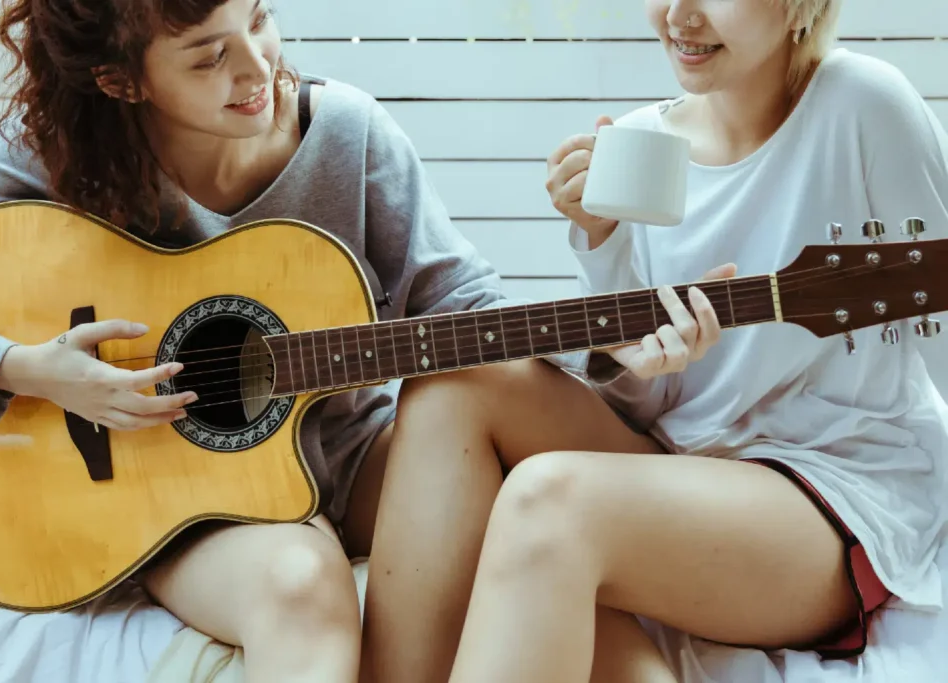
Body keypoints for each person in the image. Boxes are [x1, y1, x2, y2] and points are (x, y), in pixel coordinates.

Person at [0, 0, 601, 680]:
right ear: (121, 80)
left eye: (258, 20)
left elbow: (467, 307)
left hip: (358, 461)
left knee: (478, 388)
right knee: (301, 583)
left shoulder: (346, 133)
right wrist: (26, 370)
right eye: (209, 57)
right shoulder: (61, 154)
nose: (257, 67)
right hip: (178, 502)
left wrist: (609, 347)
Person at [364, 0, 948, 682]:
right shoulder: (643, 142)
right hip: (683, 469)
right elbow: (650, 405)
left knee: (552, 498)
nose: (678, 15)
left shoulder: (863, 106)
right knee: (449, 387)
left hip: (832, 495)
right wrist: (603, 248)